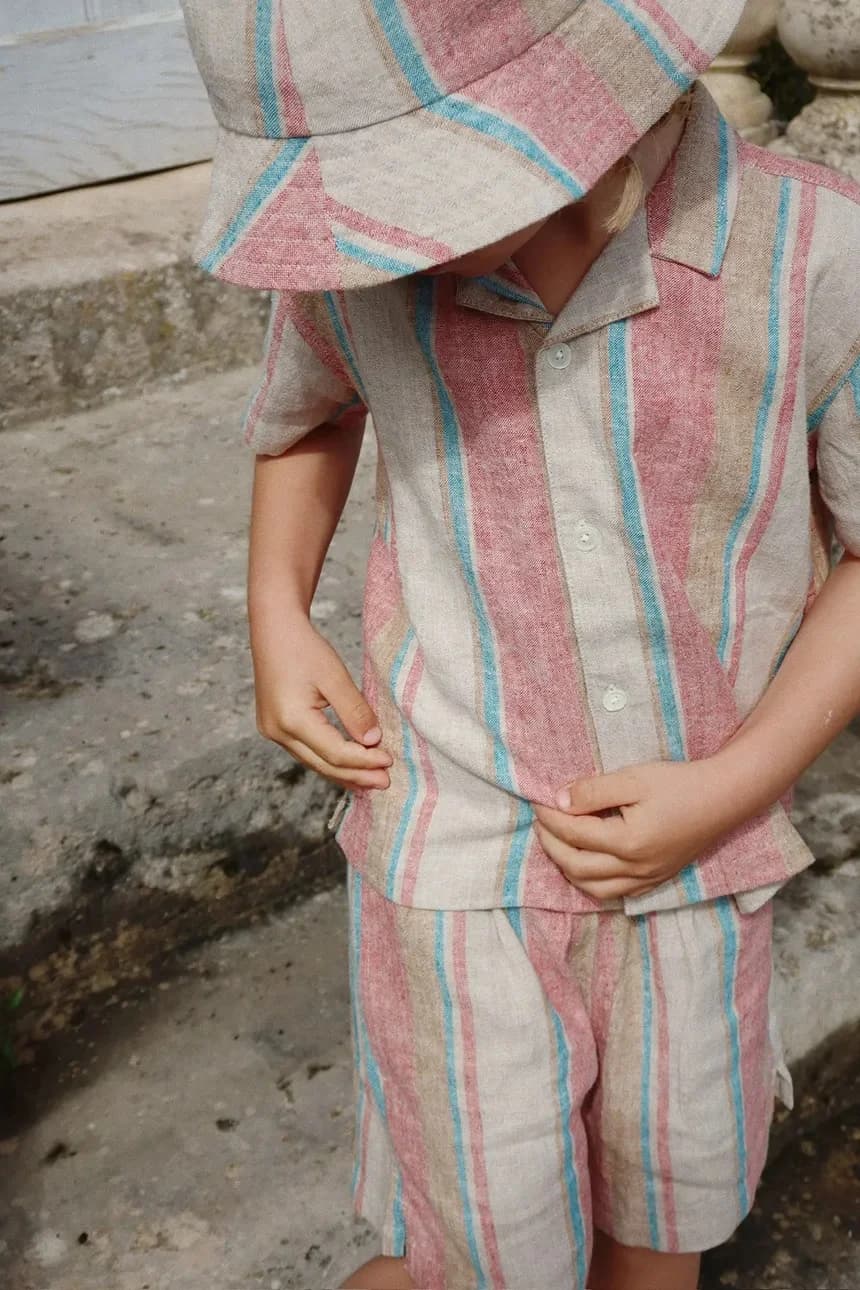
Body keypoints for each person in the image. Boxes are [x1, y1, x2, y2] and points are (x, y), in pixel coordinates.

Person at [180, 2, 860, 1287]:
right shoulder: (354, 269)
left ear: (578, 115)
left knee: (660, 1227)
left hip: (697, 866)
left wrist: (735, 780)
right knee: (468, 1255)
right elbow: (306, 412)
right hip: (451, 848)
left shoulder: (815, 255)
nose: (372, 235)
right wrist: (276, 604)